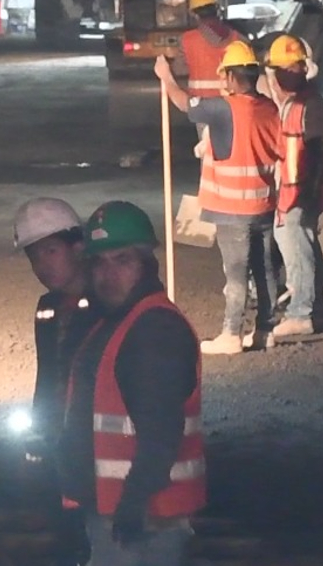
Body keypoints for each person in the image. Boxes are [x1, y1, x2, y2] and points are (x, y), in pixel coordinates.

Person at [59, 201, 204, 566]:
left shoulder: (154, 330)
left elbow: (160, 433)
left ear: (146, 264)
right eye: (100, 263)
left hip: (141, 520)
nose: (108, 274)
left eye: (122, 260)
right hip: (122, 513)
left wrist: (132, 505)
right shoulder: (117, 322)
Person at [154, 41, 281, 354]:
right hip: (263, 204)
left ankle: (231, 334)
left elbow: (185, 104)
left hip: (232, 207)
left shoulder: (223, 108)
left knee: (236, 273)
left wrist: (166, 77)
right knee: (264, 270)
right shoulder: (269, 108)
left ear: (231, 77)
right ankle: (266, 329)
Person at [13, 198, 97, 566]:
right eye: (35, 256)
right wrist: (36, 445)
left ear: (77, 246)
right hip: (62, 446)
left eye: (51, 251)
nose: (43, 265)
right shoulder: (47, 308)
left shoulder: (107, 305)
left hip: (98, 446)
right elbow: (47, 376)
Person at [264, 34, 323, 339]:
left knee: (298, 248)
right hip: (291, 191)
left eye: (293, 68)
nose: (287, 74)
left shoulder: (310, 105)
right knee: (298, 245)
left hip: (301, 192)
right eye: (284, 69)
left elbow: (317, 152)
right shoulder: (292, 102)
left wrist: (305, 195)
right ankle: (317, 305)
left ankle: (301, 312)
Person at [172, 0, 240, 100]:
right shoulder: (238, 38)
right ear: (217, 9)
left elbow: (178, 70)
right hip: (233, 104)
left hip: (201, 106)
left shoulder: (188, 40)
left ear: (194, 14)